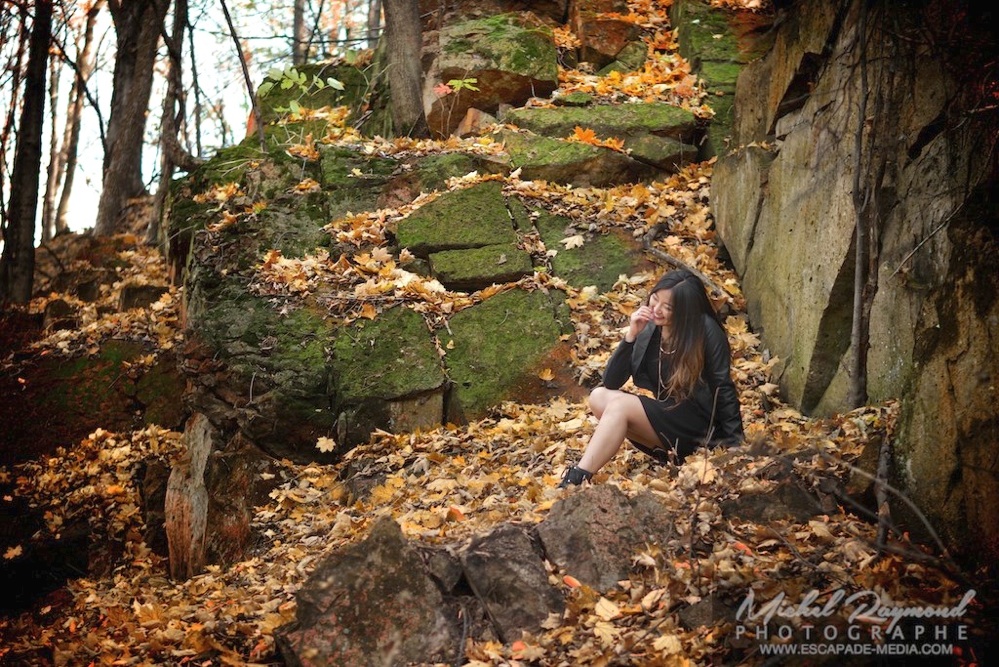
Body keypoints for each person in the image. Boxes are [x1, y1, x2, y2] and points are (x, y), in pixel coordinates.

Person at [560, 269, 744, 487]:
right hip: (668, 414)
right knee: (599, 397)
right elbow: (611, 382)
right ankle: (671, 455)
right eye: (654, 299)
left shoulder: (705, 330)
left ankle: (578, 476)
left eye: (667, 307)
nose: (656, 310)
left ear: (686, 311)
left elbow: (723, 387)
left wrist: (736, 445)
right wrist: (631, 336)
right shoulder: (650, 328)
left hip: (698, 427)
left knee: (620, 407)